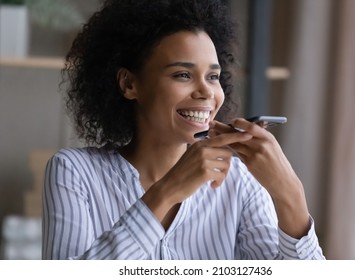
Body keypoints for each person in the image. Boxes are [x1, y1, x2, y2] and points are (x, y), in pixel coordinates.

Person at [42, 0, 325, 260]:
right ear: (129, 84)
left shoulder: (240, 183)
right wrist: (166, 191)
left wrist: (290, 194)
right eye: (183, 75)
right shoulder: (74, 172)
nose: (206, 92)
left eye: (213, 77)